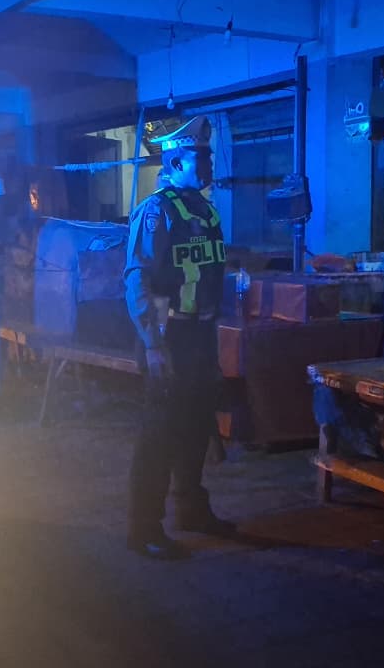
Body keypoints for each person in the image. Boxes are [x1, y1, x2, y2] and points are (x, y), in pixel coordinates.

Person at [122, 115, 236, 560]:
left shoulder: (204, 211)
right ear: (174, 162)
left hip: (200, 335)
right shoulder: (156, 211)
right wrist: (153, 344)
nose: (208, 165)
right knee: (159, 436)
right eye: (199, 158)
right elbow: (138, 279)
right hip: (167, 338)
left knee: (195, 428)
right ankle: (144, 530)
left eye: (208, 157)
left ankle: (192, 510)